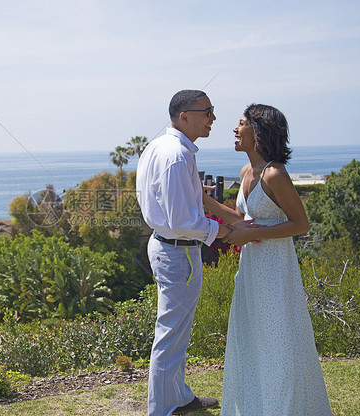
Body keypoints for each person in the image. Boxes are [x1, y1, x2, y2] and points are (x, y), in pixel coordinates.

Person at [203, 104, 332, 415]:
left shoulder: (275, 174)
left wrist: (253, 232)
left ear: (258, 131)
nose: (235, 129)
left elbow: (301, 224)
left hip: (275, 270)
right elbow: (242, 218)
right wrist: (204, 200)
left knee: (279, 344)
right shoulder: (247, 172)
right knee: (252, 339)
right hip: (250, 269)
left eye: (241, 123)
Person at [136, 90, 232, 416]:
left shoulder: (161, 147)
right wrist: (226, 232)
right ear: (184, 117)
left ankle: (178, 397)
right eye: (208, 111)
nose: (213, 118)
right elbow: (183, 221)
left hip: (169, 247)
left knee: (177, 332)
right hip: (178, 253)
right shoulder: (176, 155)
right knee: (170, 335)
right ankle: (162, 410)